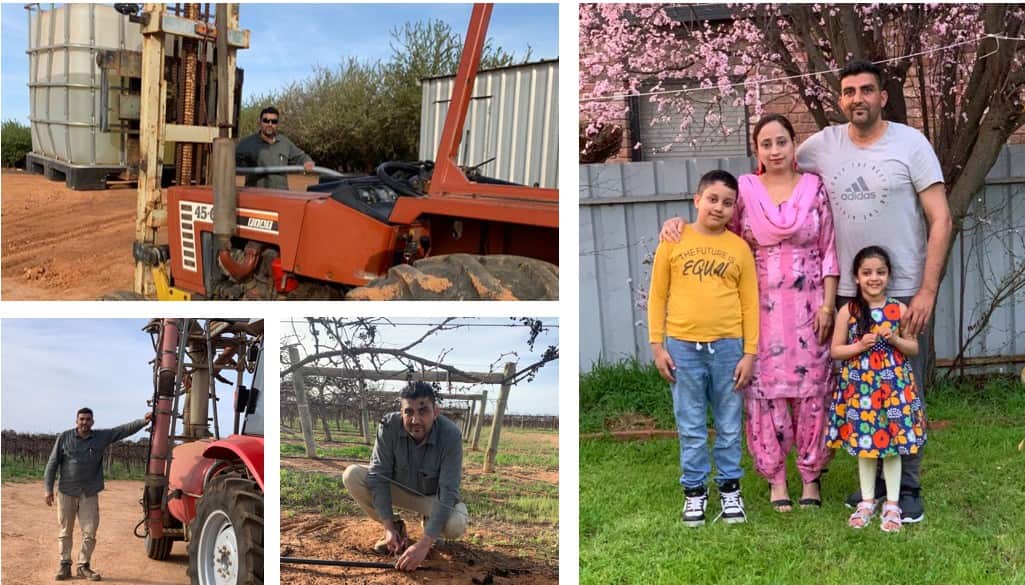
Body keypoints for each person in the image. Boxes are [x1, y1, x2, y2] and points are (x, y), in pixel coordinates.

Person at [661, 60, 952, 522]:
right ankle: (861, 485)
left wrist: (926, 292)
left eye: (867, 90)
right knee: (856, 387)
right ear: (841, 99)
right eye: (849, 91)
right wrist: (680, 223)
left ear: (883, 96)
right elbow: (727, 221)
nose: (858, 98)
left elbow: (936, 218)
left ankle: (905, 489)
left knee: (899, 388)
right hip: (827, 299)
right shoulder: (819, 149)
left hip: (893, 291)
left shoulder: (908, 145)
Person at [648, 169, 758, 527]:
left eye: (728, 203)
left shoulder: (739, 248)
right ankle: (694, 493)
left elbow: (749, 304)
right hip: (682, 347)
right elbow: (658, 295)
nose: (719, 207)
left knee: (728, 424)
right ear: (697, 200)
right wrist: (656, 345)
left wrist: (749, 353)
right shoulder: (673, 240)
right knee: (691, 425)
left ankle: (730, 490)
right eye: (712, 199)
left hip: (728, 348)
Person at [826, 246, 925, 532]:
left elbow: (913, 347)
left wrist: (894, 338)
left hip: (894, 388)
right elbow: (835, 350)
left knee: (893, 446)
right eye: (867, 272)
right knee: (866, 446)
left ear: (889, 276)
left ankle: (892, 503)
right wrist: (858, 346)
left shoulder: (899, 308)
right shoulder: (849, 310)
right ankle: (867, 500)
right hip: (861, 390)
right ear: (856, 278)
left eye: (880, 272)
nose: (874, 278)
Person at [341, 381, 469, 572]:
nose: (415, 419)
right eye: (408, 412)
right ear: (401, 412)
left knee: (455, 524)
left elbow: (448, 491)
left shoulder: (450, 435)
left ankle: (430, 525)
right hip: (399, 490)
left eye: (423, 411)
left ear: (436, 412)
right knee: (353, 475)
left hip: (433, 498)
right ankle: (397, 529)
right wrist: (388, 527)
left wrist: (424, 545)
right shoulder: (388, 426)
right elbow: (378, 476)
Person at [43, 408, 152, 581]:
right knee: (65, 531)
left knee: (90, 531)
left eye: (88, 419)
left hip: (89, 493)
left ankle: (83, 566)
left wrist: (143, 422)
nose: (84, 422)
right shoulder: (64, 437)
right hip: (67, 492)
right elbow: (52, 463)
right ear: (76, 421)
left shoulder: (101, 437)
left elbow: (122, 430)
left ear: (92, 422)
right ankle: (64, 565)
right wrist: (48, 489)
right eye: (81, 419)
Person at [235, 106, 315, 189]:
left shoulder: (285, 142)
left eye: (274, 121)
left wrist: (307, 161)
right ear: (260, 122)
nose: (270, 124)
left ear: (277, 124)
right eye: (266, 121)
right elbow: (232, 162)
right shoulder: (247, 143)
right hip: (256, 196)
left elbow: (300, 156)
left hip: (280, 196)